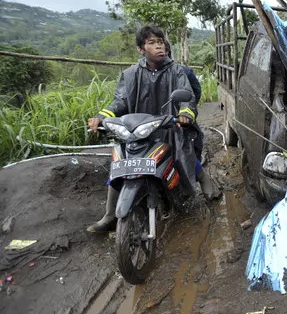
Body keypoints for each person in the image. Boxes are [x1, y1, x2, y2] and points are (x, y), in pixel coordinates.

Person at [86, 25, 214, 233]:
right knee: (122, 162)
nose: (159, 47)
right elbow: (120, 101)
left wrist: (185, 115)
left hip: (169, 127)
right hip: (138, 130)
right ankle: (110, 214)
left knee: (184, 154)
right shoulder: (130, 74)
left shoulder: (178, 71)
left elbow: (189, 98)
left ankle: (204, 181)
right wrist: (102, 117)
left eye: (161, 42)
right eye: (152, 43)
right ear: (140, 49)